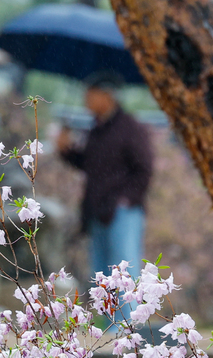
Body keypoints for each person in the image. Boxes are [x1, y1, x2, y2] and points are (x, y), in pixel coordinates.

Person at [55, 71, 154, 305]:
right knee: (101, 275)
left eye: (91, 95)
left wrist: (126, 200)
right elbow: (90, 165)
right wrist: (66, 150)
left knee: (124, 271)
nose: (86, 101)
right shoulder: (97, 129)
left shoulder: (130, 128)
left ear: (107, 96)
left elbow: (144, 169)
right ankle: (111, 330)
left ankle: (129, 328)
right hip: (96, 209)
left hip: (122, 211)